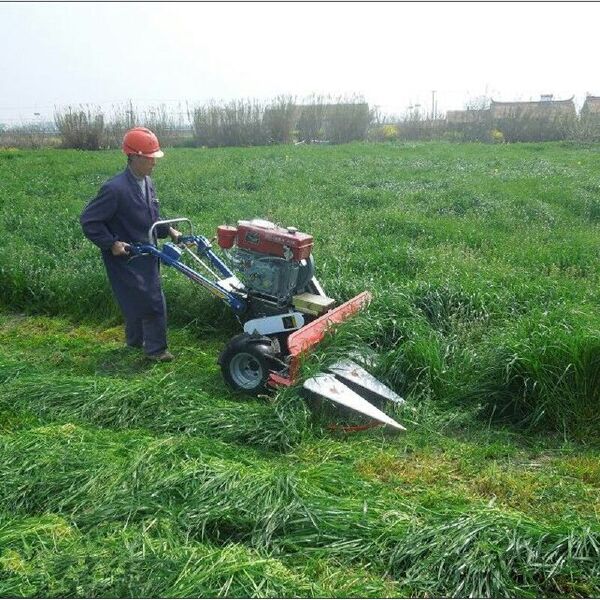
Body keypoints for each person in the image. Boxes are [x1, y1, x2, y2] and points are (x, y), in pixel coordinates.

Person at [80, 127, 180, 361]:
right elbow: (89, 221)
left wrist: (169, 230)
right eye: (149, 158)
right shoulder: (115, 189)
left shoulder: (147, 182)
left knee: (137, 300)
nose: (154, 163)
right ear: (134, 157)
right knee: (152, 301)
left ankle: (135, 342)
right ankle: (156, 351)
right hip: (126, 256)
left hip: (148, 253)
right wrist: (111, 243)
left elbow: (151, 217)